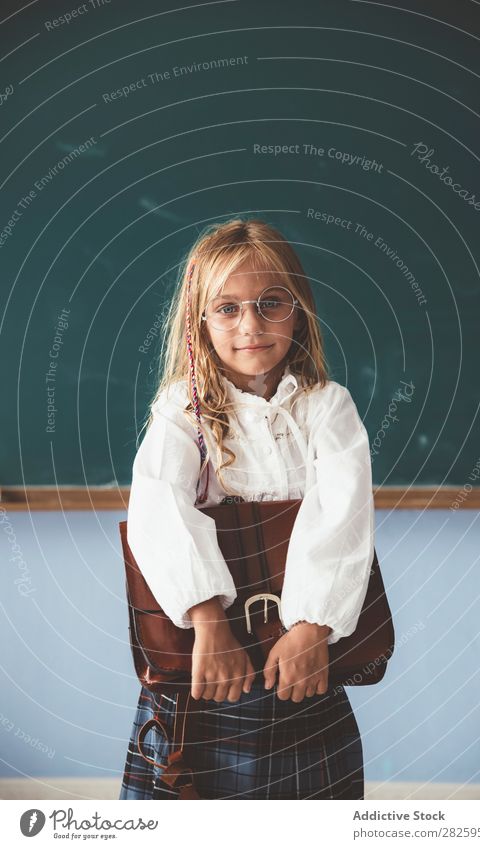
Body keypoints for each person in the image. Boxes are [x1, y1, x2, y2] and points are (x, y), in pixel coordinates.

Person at [119, 217, 374, 800]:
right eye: (227, 308)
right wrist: (209, 622)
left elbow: (343, 516)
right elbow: (158, 511)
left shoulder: (325, 407)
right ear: (199, 320)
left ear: (298, 308)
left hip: (303, 663)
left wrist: (311, 625)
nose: (251, 325)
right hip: (204, 667)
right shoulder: (182, 410)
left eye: (270, 303)